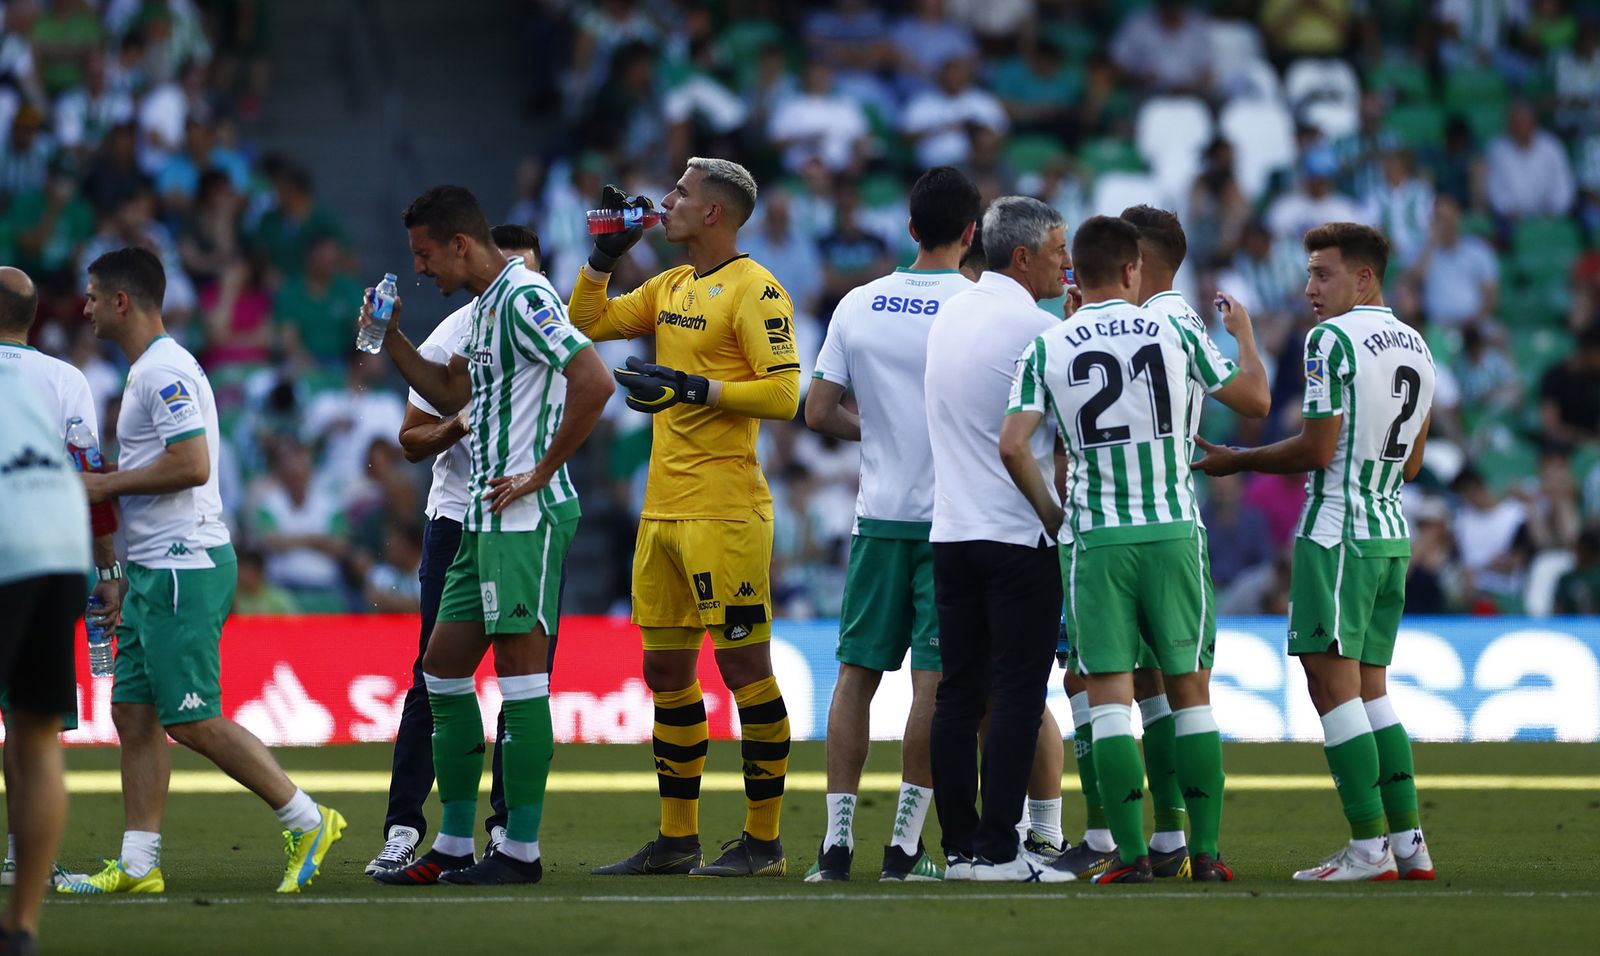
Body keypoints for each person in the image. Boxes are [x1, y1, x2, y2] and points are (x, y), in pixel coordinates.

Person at [59, 248, 345, 896]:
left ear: (122, 301)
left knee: (189, 719)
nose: (86, 307)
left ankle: (308, 818)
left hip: (185, 565)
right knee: (132, 714)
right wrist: (125, 567)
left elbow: (193, 465)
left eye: (94, 296)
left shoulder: (163, 372)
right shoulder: (149, 372)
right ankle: (138, 865)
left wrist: (105, 484)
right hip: (155, 568)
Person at [1006, 214, 1270, 883]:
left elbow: (1012, 444)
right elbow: (1250, 399)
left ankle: (1125, 854)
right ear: (1132, 270)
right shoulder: (1177, 326)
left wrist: (1053, 512)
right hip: (1175, 529)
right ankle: (1202, 853)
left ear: (1076, 275)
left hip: (1097, 539)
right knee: (1191, 693)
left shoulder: (1050, 344)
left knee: (1108, 694)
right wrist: (1243, 338)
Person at [365, 187, 612, 886]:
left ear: (461, 246)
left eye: (424, 254)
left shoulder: (525, 296)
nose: (418, 269)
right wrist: (391, 340)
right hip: (479, 516)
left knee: (522, 683)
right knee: (441, 673)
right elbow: (448, 394)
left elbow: (593, 381)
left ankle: (520, 852)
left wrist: (541, 470)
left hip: (524, 518)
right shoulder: (483, 310)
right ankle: (450, 844)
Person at [567, 157, 801, 878]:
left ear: (714, 215)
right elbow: (586, 323)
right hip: (662, 511)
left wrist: (696, 387)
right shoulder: (670, 285)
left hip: (725, 512)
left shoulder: (757, 290)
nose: (663, 202)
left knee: (743, 669)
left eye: (679, 194)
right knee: (665, 670)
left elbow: (786, 393)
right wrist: (604, 256)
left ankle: (763, 842)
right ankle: (676, 840)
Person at [1194, 222, 1439, 881]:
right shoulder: (1418, 345)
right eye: (1308, 275)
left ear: (1364, 277)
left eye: (1323, 275)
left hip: (1337, 532)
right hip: (1390, 533)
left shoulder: (1330, 340)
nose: (1308, 289)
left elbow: (1317, 449)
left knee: (1332, 689)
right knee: (1372, 692)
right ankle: (1410, 844)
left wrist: (1239, 459)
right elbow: (1413, 463)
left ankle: (1367, 848)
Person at [801, 167, 979, 883]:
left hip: (878, 519)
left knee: (855, 677)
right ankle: (903, 851)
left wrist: (875, 433)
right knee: (932, 687)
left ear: (909, 228)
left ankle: (834, 846)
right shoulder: (980, 309)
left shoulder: (857, 303)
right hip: (955, 525)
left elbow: (817, 412)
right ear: (972, 234)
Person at [921, 196, 1074, 882]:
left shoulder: (952, 309)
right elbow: (1050, 435)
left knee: (958, 692)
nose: (1067, 263)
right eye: (1057, 251)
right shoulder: (1037, 330)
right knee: (1017, 693)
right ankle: (1001, 849)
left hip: (951, 531)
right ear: (1023, 256)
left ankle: (959, 851)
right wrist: (1053, 516)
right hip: (1016, 534)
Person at [0, 267, 118, 890]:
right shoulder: (66, 379)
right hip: (51, 552)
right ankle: (28, 870)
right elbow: (89, 475)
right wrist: (108, 567)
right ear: (33, 317)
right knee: (36, 729)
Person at [0, 363, 91, 956]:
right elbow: (86, 464)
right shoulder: (37, 382)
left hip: (7, 530)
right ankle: (21, 929)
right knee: (35, 735)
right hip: (62, 533)